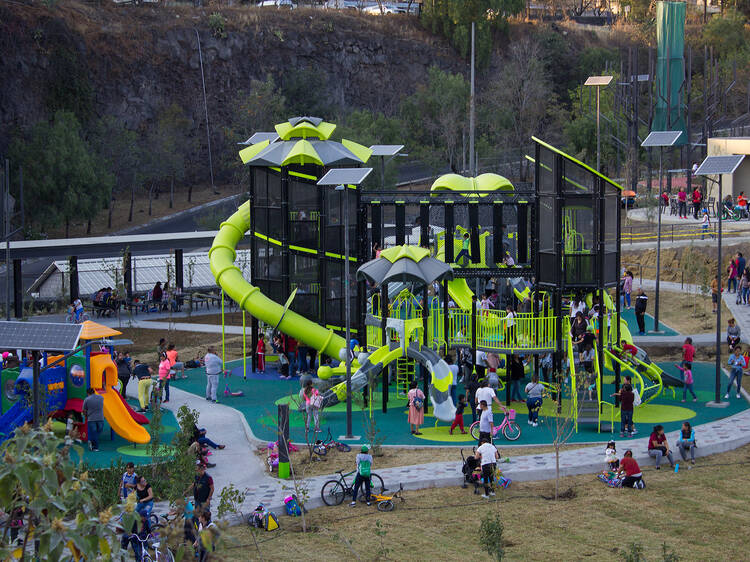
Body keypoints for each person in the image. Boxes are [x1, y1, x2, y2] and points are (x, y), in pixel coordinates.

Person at [82, 387, 104, 452]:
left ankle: (94, 446)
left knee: (94, 432)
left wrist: (85, 415)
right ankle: (93, 443)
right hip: (100, 417)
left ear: (88, 393)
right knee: (98, 431)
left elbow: (84, 410)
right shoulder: (101, 398)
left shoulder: (87, 399)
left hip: (91, 418)